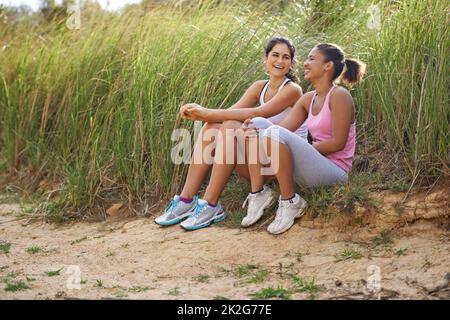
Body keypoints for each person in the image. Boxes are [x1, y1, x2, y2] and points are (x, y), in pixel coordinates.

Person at [154, 37, 308, 230]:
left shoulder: (292, 90)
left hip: (282, 166)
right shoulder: (259, 87)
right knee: (212, 127)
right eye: (275, 55)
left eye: (286, 57)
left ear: (291, 63)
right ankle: (187, 200)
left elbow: (256, 113)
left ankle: (211, 204)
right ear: (265, 58)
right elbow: (229, 113)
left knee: (228, 125)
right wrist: (201, 114)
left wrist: (205, 112)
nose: (280, 61)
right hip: (260, 163)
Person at [243, 43, 366, 235]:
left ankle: (290, 201)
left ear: (327, 66)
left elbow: (338, 143)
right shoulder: (309, 98)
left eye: (311, 59)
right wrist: (257, 136)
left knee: (273, 134)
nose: (305, 63)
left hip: (334, 171)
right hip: (311, 166)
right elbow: (280, 130)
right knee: (256, 124)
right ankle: (258, 193)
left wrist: (302, 150)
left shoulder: (340, 95)